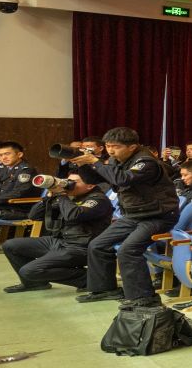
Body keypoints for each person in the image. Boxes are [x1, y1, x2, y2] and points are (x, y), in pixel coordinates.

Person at [71, 126, 180, 310]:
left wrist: (96, 162)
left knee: (128, 250)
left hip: (158, 216)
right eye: (108, 146)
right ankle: (105, 289)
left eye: (116, 146)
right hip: (134, 215)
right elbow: (94, 180)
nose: (111, 151)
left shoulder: (146, 161)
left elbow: (123, 179)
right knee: (97, 245)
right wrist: (82, 164)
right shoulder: (117, 160)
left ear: (132, 147)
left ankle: (143, 298)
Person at [0, 170, 113, 292]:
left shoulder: (98, 199)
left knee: (29, 271)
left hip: (81, 248)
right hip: (59, 241)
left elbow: (74, 215)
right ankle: (34, 284)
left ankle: (87, 279)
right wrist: (48, 198)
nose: (69, 184)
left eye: (74, 182)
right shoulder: (68, 198)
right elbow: (34, 216)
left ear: (90, 185)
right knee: (10, 245)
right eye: (68, 181)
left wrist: (61, 195)